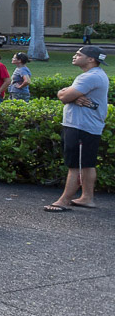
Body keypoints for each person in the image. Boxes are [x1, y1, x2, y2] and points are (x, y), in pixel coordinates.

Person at [45, 46, 109, 212]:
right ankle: (87, 198)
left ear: (91, 59)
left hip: (81, 126)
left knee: (75, 165)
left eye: (79, 54)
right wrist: (70, 96)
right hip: (86, 126)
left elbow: (65, 97)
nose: (74, 56)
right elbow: (66, 95)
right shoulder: (95, 75)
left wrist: (68, 96)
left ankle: (63, 201)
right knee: (87, 164)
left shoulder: (90, 77)